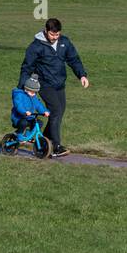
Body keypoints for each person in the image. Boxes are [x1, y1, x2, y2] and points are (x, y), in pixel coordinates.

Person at [19, 17, 90, 158]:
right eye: (52, 34)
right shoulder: (36, 46)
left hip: (59, 84)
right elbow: (26, 67)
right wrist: (22, 88)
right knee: (56, 110)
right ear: (46, 31)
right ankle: (56, 147)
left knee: (59, 112)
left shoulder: (64, 42)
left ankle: (43, 142)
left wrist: (82, 75)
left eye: (57, 34)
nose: (54, 37)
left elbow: (74, 59)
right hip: (44, 84)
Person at [10, 74, 50, 140]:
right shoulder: (19, 95)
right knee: (24, 123)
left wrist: (45, 111)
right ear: (26, 89)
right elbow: (18, 105)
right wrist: (24, 112)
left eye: (35, 92)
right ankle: (19, 134)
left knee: (39, 123)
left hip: (30, 117)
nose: (33, 94)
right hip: (19, 118)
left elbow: (38, 105)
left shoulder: (33, 97)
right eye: (32, 92)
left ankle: (29, 134)